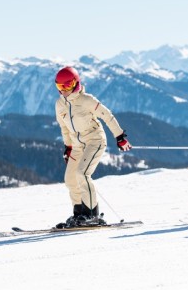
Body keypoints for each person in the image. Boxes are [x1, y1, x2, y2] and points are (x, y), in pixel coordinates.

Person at [54, 66, 131, 228]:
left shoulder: (87, 100)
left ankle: (91, 214)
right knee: (70, 180)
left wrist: (120, 137)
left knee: (82, 174)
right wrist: (68, 147)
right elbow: (65, 129)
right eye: (59, 87)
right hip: (76, 146)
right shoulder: (59, 105)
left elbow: (107, 116)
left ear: (75, 83)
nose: (63, 91)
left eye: (66, 86)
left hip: (94, 141)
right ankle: (79, 214)